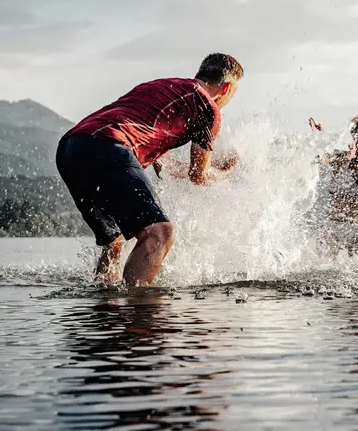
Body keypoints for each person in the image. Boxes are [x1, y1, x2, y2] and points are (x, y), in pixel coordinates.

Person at [56, 53, 243, 287]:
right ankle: (139, 308)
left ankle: (105, 301)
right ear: (227, 88)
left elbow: (166, 167)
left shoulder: (164, 88)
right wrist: (226, 171)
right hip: (107, 145)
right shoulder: (207, 107)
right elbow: (199, 175)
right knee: (160, 233)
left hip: (71, 148)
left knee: (115, 241)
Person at [309, 115, 358, 262]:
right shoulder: (339, 158)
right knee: (322, 270)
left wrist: (355, 160)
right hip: (332, 226)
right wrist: (318, 139)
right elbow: (318, 158)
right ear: (355, 136)